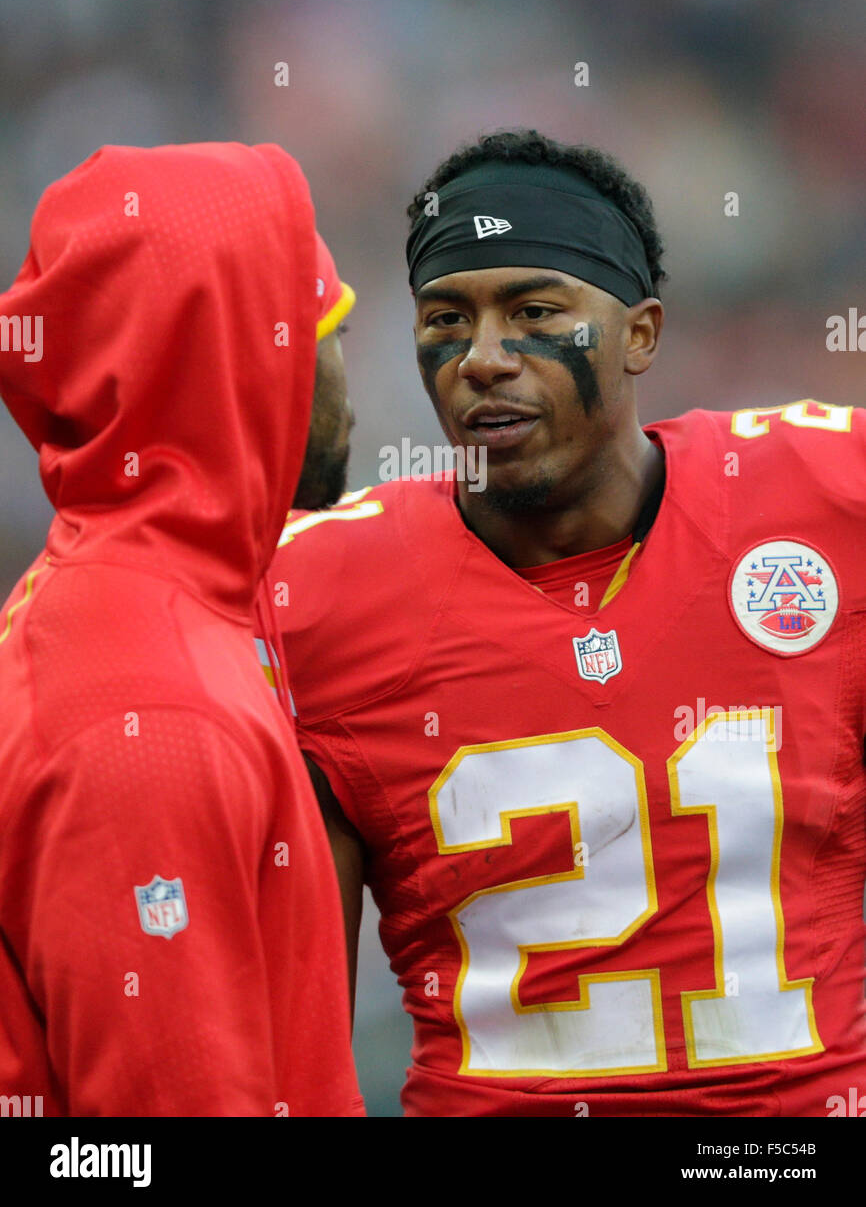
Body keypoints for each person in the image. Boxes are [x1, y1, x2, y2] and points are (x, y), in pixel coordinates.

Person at [260, 128, 866, 1117]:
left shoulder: (823, 501)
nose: (482, 359)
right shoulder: (313, 594)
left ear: (639, 333)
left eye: (533, 311)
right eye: (445, 317)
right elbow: (295, 1036)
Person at [0, 142, 363, 1116]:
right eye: (322, 320)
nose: (346, 367)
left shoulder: (148, 603)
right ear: (238, 348)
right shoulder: (154, 706)